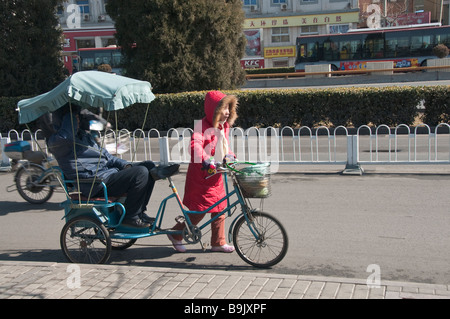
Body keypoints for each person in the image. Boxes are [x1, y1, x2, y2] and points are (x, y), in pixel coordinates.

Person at [47, 105, 177, 228]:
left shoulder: (84, 136)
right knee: (141, 172)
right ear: (65, 121)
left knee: (147, 165)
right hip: (94, 183)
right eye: (73, 119)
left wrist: (127, 166)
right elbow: (66, 136)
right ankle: (131, 217)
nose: (77, 121)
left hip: (107, 175)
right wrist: (70, 115)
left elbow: (107, 157)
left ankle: (140, 210)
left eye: (77, 119)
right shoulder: (57, 142)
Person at [168, 91, 238, 253]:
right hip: (201, 176)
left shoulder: (224, 126)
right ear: (213, 110)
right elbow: (195, 146)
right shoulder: (202, 125)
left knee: (220, 208)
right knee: (199, 211)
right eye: (223, 109)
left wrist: (230, 156)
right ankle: (176, 234)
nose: (227, 112)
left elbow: (225, 146)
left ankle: (218, 242)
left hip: (216, 175)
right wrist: (206, 160)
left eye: (229, 108)